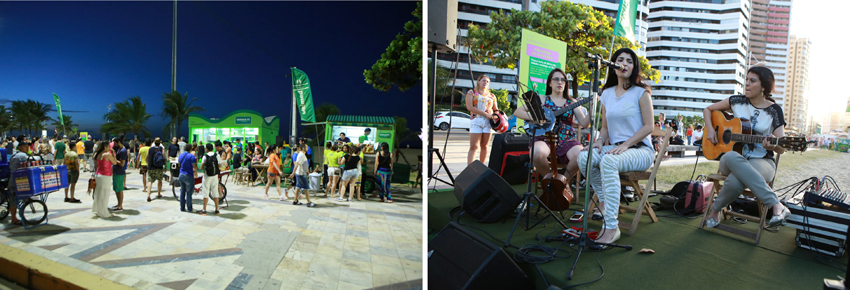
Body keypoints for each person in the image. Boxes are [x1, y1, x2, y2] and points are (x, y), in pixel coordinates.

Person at [577, 48, 656, 247]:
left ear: (634, 66)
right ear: (612, 66)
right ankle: (604, 201)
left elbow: (649, 126)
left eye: (629, 61)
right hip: (616, 149)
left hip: (640, 151)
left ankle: (611, 226)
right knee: (584, 157)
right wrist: (599, 142)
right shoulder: (606, 94)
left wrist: (626, 145)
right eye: (620, 60)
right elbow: (604, 128)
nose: (624, 64)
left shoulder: (641, 92)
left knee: (608, 160)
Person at [703, 66, 791, 229]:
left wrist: (774, 144)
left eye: (753, 81)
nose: (747, 84)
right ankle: (776, 204)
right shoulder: (736, 101)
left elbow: (782, 147)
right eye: (747, 80)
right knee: (730, 157)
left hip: (762, 162)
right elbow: (708, 109)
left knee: (737, 179)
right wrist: (710, 129)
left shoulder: (774, 111)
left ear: (764, 86)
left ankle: (714, 210)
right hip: (731, 160)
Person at [513, 68, 590, 178]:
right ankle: (549, 181)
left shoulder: (572, 102)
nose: (560, 82)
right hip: (544, 137)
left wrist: (591, 109)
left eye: (563, 80)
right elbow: (517, 111)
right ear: (549, 82)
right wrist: (537, 117)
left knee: (581, 156)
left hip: (567, 138)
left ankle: (562, 184)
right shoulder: (542, 98)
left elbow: (585, 124)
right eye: (556, 79)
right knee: (536, 153)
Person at [465, 74, 499, 165]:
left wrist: (495, 115)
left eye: (487, 81)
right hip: (476, 120)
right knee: (474, 146)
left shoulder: (492, 96)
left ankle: (482, 166)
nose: (485, 83)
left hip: (488, 122)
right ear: (478, 81)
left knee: (484, 146)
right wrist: (484, 113)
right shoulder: (471, 93)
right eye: (483, 80)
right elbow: (469, 107)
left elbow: (496, 110)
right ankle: (470, 167)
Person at [7, 140, 32, 225]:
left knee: (14, 199)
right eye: (25, 146)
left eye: (27, 146)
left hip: (14, 179)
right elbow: (28, 166)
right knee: (14, 199)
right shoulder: (22, 155)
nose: (27, 148)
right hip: (16, 181)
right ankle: (14, 219)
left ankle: (16, 216)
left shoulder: (15, 155)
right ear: (20, 147)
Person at [93, 141, 118, 218]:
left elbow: (96, 165)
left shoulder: (96, 154)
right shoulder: (107, 155)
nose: (109, 148)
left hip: (98, 174)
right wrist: (113, 154)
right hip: (106, 175)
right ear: (105, 147)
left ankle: (98, 210)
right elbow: (115, 162)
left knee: (98, 193)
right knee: (105, 194)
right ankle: (104, 212)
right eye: (108, 146)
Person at [199, 143, 222, 215]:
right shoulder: (217, 155)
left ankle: (204, 210)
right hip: (215, 176)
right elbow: (220, 166)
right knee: (215, 192)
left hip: (207, 177)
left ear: (207, 149)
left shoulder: (205, 156)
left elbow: (202, 168)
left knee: (205, 192)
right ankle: (217, 210)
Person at [177, 143, 198, 212]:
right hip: (188, 175)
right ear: (191, 149)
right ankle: (189, 208)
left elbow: (179, 164)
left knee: (182, 191)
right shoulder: (191, 156)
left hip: (181, 174)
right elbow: (194, 167)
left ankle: (182, 208)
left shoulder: (180, 155)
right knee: (189, 193)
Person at [111, 138, 127, 211]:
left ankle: (120, 205)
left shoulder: (123, 151)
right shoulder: (118, 149)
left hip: (119, 172)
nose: (114, 145)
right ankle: (118, 204)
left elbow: (122, 164)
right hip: (115, 171)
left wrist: (114, 159)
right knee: (116, 189)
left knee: (119, 189)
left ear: (119, 142)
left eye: (115, 143)